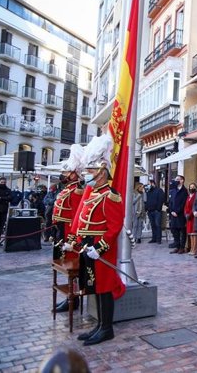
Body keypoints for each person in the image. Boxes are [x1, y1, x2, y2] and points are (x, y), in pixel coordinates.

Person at [63, 134, 126, 346]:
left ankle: (107, 328)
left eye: (90, 171)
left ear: (101, 172)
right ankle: (99, 325)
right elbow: (84, 222)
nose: (86, 174)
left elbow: (114, 227)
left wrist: (100, 248)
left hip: (102, 249)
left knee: (105, 287)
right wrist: (77, 242)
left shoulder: (111, 195)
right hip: (89, 247)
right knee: (94, 286)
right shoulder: (92, 194)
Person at [51, 144, 85, 313]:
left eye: (66, 173)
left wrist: (72, 239)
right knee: (64, 266)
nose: (63, 175)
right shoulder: (67, 189)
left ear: (74, 174)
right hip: (61, 232)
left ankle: (74, 298)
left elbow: (78, 216)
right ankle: (70, 297)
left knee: (72, 267)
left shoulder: (77, 191)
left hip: (70, 235)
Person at [168, 175, 188, 254]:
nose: (176, 181)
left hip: (180, 214)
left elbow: (184, 203)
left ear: (182, 180)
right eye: (175, 179)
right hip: (173, 214)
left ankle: (182, 247)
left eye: (178, 179)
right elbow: (170, 202)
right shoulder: (173, 190)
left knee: (182, 231)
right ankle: (177, 246)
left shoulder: (185, 191)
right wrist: (171, 211)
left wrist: (177, 211)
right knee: (174, 230)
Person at [145, 179, 166, 244]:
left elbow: (161, 199)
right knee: (152, 225)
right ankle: (154, 238)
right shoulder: (148, 191)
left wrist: (158, 209)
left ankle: (158, 239)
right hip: (150, 211)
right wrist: (146, 208)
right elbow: (147, 201)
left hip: (156, 211)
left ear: (152, 183)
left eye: (149, 184)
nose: (148, 185)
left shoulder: (159, 190)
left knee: (157, 225)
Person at [184, 183, 197, 255]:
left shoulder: (196, 196)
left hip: (193, 217)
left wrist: (190, 214)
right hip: (188, 217)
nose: (191, 188)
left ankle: (194, 249)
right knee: (190, 234)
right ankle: (191, 248)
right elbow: (185, 207)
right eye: (190, 187)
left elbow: (194, 206)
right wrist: (185, 214)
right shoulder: (188, 196)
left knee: (194, 233)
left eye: (193, 187)